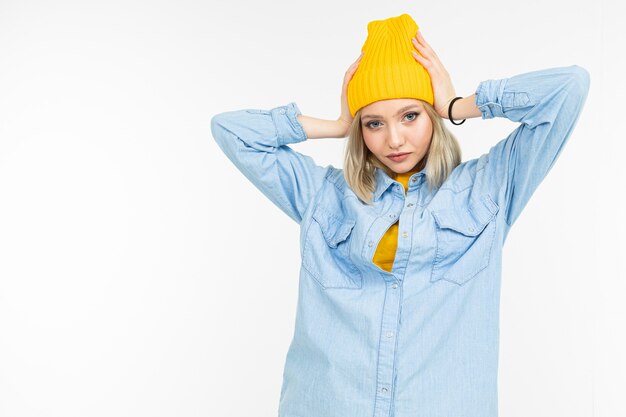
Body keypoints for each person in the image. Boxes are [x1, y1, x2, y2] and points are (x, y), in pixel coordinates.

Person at [210, 13, 590, 417]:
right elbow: (230, 130)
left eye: (411, 115)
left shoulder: (489, 187)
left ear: (432, 116)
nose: (393, 139)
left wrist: (455, 104)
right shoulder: (322, 196)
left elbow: (569, 88)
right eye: (374, 123)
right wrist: (338, 124)